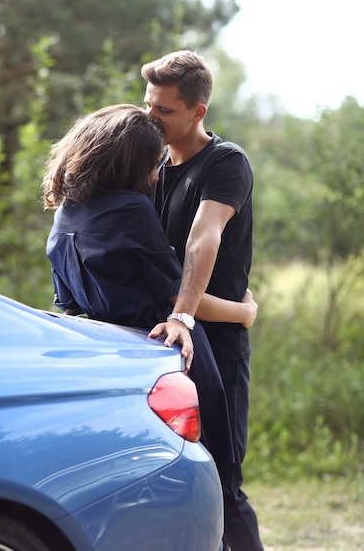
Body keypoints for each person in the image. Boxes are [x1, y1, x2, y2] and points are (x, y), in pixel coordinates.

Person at [42, 103, 258, 470]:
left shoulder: (66, 213)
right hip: (167, 350)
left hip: (110, 357)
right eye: (149, 164)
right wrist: (243, 312)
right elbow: (176, 294)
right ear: (127, 161)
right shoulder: (133, 209)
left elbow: (68, 303)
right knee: (219, 474)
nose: (156, 176)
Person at [141, 50, 263, 551]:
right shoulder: (148, 167)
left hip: (218, 349)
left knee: (223, 486)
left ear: (198, 111)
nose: (151, 118)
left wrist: (186, 312)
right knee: (168, 487)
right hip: (162, 349)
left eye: (164, 110)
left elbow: (203, 236)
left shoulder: (226, 162)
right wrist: (235, 308)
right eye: (147, 105)